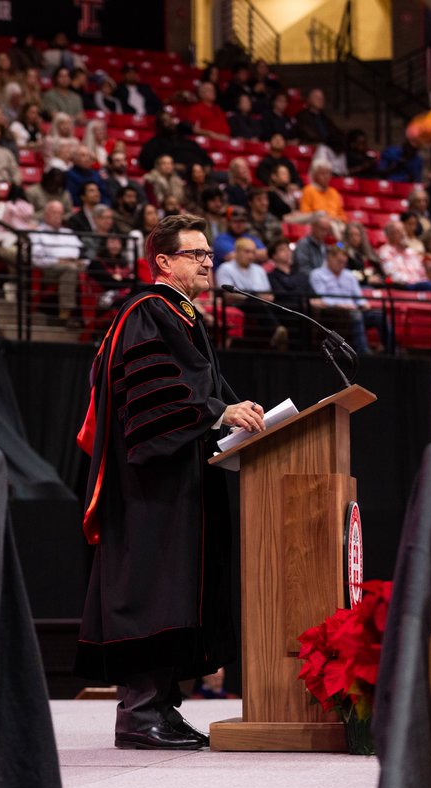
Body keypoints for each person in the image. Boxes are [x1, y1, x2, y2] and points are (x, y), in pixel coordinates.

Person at [76, 213, 264, 750]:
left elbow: (197, 386)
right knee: (153, 590)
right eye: (196, 254)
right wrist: (216, 412)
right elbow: (153, 396)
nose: (208, 262)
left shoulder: (179, 315)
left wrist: (232, 408)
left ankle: (161, 707)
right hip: (149, 488)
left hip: (178, 480)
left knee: (176, 589)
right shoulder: (146, 312)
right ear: (163, 261)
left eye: (209, 254)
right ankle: (139, 714)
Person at [309, 244, 390, 354]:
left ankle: (391, 350)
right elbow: (322, 297)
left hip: (353, 308)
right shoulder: (317, 274)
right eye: (339, 261)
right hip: (332, 311)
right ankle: (363, 352)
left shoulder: (349, 275)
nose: (341, 265)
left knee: (380, 316)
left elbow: (358, 296)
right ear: (329, 258)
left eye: (344, 262)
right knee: (355, 315)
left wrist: (363, 303)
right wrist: (340, 305)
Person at [214, 236, 289, 349]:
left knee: (281, 304)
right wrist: (254, 296)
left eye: (253, 252)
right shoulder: (225, 268)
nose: (250, 256)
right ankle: (276, 330)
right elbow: (226, 293)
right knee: (252, 299)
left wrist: (269, 297)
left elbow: (268, 292)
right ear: (237, 252)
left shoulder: (259, 270)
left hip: (261, 303)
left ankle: (282, 338)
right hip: (238, 304)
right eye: (247, 252)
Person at [30, 200, 87, 327]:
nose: (58, 216)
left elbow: (80, 252)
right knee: (70, 269)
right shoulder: (38, 233)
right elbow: (36, 259)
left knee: (88, 267)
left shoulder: (68, 232)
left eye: (60, 213)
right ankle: (65, 313)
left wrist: (74, 260)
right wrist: (58, 260)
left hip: (73, 265)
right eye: (54, 213)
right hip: (48, 270)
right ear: (46, 214)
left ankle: (89, 316)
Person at [137, 112, 210, 174]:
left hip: (199, 173)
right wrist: (171, 166)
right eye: (165, 121)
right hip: (175, 175)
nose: (170, 123)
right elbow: (146, 162)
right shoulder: (154, 143)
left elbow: (206, 159)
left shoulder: (186, 140)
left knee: (220, 176)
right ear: (159, 126)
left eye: (171, 119)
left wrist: (207, 166)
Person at [377, 220, 431, 289]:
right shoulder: (385, 251)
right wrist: (413, 281)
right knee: (428, 286)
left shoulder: (411, 252)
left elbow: (421, 272)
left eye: (403, 230)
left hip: (419, 284)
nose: (403, 234)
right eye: (398, 231)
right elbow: (392, 275)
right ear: (389, 235)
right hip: (403, 286)